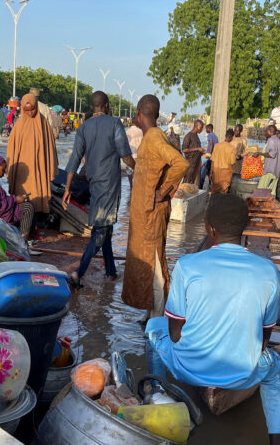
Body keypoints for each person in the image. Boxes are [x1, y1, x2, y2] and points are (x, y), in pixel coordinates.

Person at [144, 194, 280, 444]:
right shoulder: (268, 271)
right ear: (244, 228)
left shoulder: (187, 266)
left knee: (153, 328)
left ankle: (158, 395)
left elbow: (175, 335)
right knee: (274, 372)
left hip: (188, 368)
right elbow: (263, 340)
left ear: (209, 228)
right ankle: (277, 440)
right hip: (242, 373)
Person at [123, 94, 188, 319]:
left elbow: (181, 163)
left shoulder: (154, 139)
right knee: (148, 263)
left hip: (151, 214)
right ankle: (152, 311)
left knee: (155, 266)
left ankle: (158, 318)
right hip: (145, 214)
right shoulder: (151, 137)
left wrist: (163, 192)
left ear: (140, 115)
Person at [63, 91, 135, 287]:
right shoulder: (115, 123)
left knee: (105, 227)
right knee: (101, 231)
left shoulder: (83, 127)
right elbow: (125, 155)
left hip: (93, 183)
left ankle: (111, 271)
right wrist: (139, 168)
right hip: (109, 185)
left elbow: (74, 160)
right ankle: (79, 272)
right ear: (106, 105)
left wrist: (67, 188)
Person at [6, 93, 58, 215]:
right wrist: (10, 171)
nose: (30, 113)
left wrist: (49, 167)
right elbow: (11, 151)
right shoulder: (18, 125)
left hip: (40, 168)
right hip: (22, 173)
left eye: (32, 109)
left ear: (37, 107)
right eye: (27, 110)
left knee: (39, 197)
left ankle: (39, 219)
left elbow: (50, 148)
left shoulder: (43, 123)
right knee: (23, 202)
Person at [256, 125, 280, 195]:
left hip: (269, 171)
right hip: (276, 172)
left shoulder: (271, 140)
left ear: (269, 131)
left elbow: (272, 155)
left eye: (266, 131)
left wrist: (260, 153)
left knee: (260, 192)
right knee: (271, 194)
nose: (265, 133)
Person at [210, 129, 236, 194]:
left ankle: (213, 202)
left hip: (216, 171)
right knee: (223, 190)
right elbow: (232, 162)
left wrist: (211, 172)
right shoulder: (232, 148)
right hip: (226, 172)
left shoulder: (217, 146)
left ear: (225, 136)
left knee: (215, 190)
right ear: (232, 137)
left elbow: (212, 160)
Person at [181, 120, 205, 185]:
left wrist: (202, 152)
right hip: (190, 164)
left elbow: (197, 149)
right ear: (197, 126)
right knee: (187, 182)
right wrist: (197, 149)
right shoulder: (188, 136)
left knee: (195, 184)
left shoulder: (196, 136)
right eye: (201, 127)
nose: (202, 129)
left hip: (197, 163)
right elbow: (184, 150)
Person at [125, 115, 143, 189]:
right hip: (138, 154)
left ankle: (130, 185)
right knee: (137, 171)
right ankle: (136, 185)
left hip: (130, 155)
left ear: (131, 122)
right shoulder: (140, 131)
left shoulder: (127, 131)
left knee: (129, 172)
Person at [201, 124, 219, 189]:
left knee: (203, 170)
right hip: (214, 156)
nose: (206, 130)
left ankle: (200, 185)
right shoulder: (216, 136)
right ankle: (210, 184)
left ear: (209, 128)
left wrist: (209, 153)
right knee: (210, 171)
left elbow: (211, 144)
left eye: (206, 129)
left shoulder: (210, 135)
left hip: (209, 155)